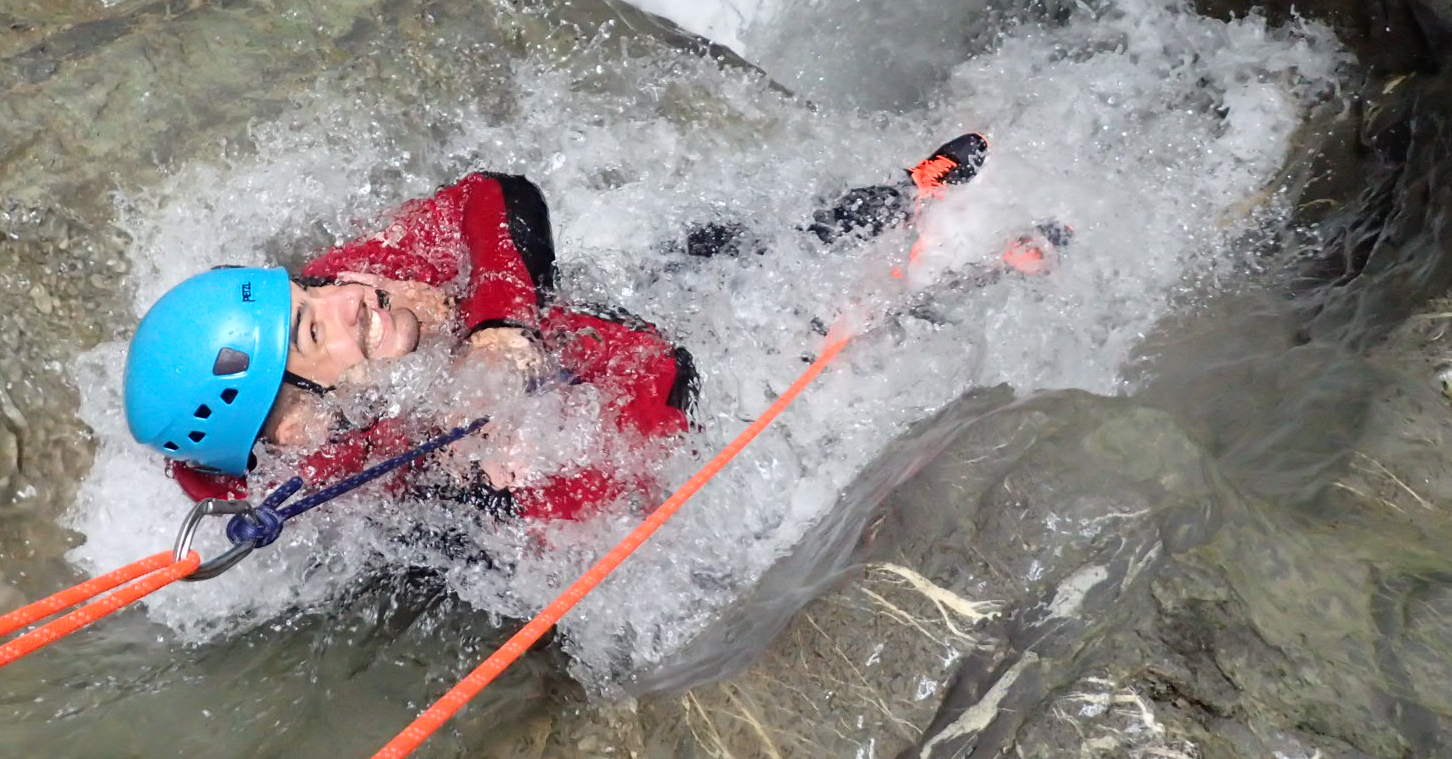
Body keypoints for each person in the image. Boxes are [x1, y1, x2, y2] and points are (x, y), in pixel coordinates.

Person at [123, 134, 1048, 523]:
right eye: (313, 339)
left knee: (722, 248)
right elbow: (580, 517)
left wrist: (498, 326)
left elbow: (497, 196)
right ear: (298, 423)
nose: (344, 300)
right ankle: (979, 287)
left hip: (597, 321)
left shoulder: (367, 275)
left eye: (305, 294)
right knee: (825, 356)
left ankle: (899, 193)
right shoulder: (364, 469)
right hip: (678, 395)